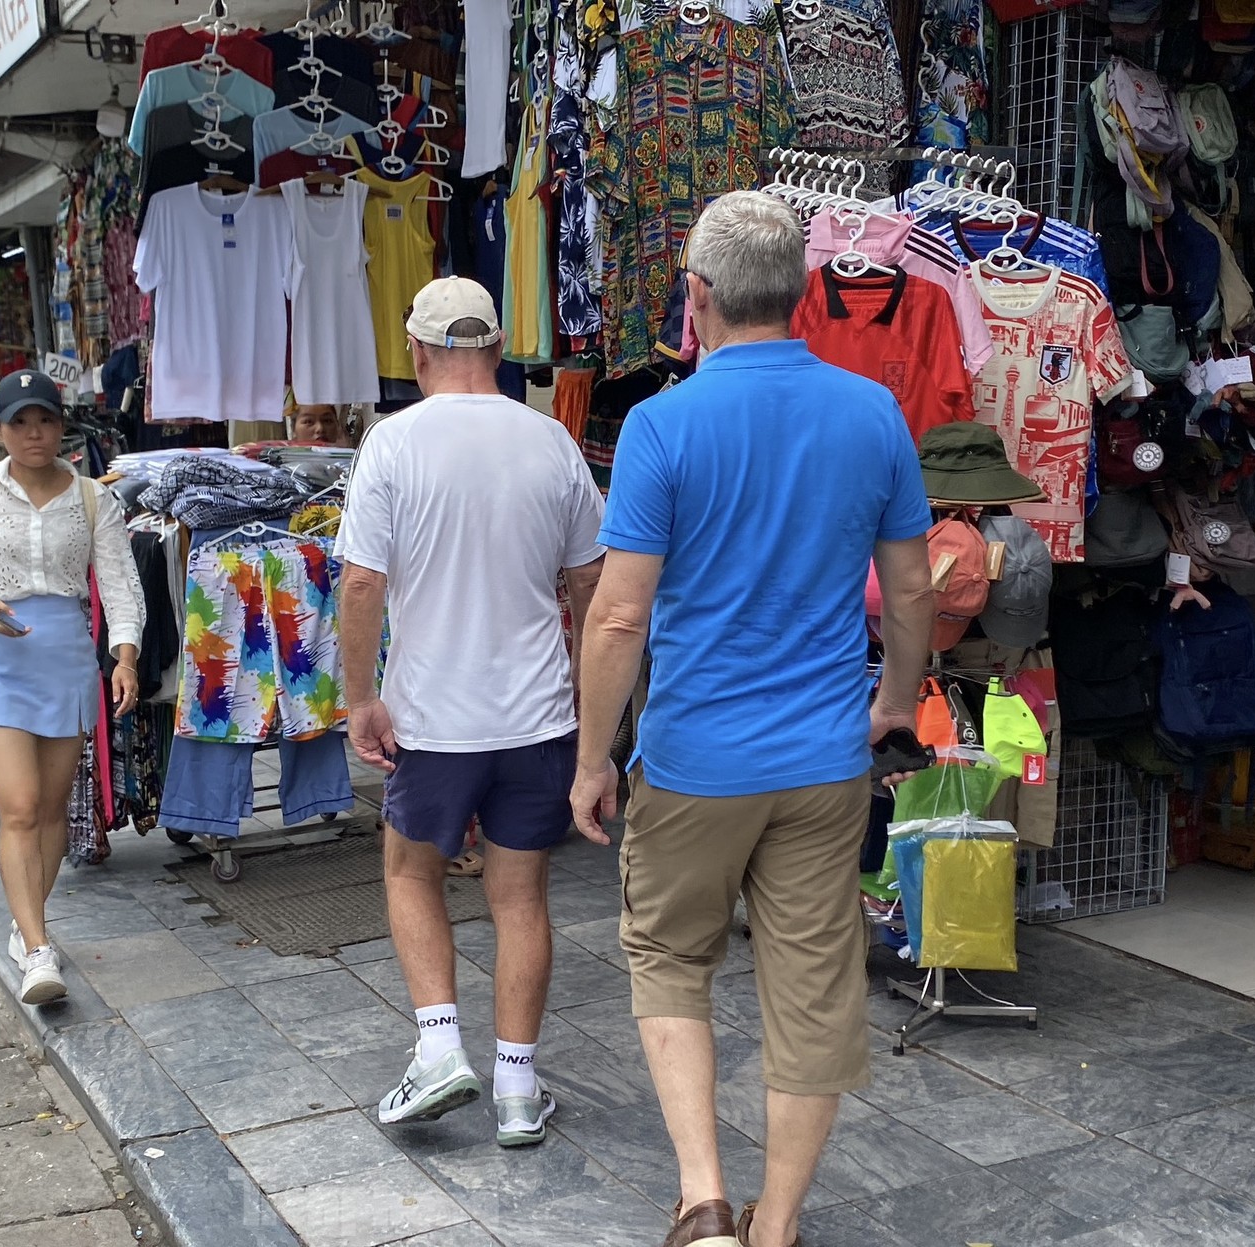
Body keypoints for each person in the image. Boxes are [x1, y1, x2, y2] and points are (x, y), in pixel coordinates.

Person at [568, 191, 936, 1247]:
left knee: (671, 956)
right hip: (823, 758)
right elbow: (910, 591)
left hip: (691, 760)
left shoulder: (661, 423)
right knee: (812, 985)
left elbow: (619, 613)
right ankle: (777, 1226)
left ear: (698, 297)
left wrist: (593, 756)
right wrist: (894, 701)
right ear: (805, 294)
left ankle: (704, 1201)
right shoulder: (869, 413)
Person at [337, 278, 605, 1149]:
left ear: (417, 354)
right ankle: (519, 1089)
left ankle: (439, 1047)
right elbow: (593, 585)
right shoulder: (553, 442)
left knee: (412, 872)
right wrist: (580, 694)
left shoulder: (393, 443)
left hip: (434, 718)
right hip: (537, 716)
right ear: (496, 349)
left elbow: (364, 583)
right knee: (520, 896)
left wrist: (358, 699)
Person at [0, 369, 147, 1003]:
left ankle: (29, 927)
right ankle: (39, 950)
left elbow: (122, 587)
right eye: (19, 422)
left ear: (62, 426)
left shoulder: (93, 500)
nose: (33, 433)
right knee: (19, 805)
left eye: (44, 420)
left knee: (51, 810)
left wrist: (124, 660)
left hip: (67, 660)